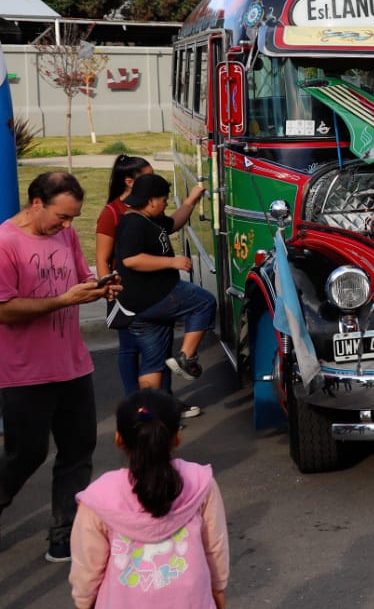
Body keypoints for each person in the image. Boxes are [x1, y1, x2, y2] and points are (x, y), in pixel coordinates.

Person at [70, 389, 228, 609]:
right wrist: (218, 587)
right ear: (177, 437)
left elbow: (88, 561)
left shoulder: (101, 497)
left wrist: (84, 605)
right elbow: (214, 543)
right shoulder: (199, 482)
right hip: (186, 607)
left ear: (117, 439)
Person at [0, 172, 121, 563]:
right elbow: (5, 311)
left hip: (73, 365)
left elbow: (80, 276)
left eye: (73, 218)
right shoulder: (5, 243)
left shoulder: (65, 235)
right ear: (37, 203)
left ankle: (64, 535)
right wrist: (63, 301)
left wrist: (98, 286)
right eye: (62, 217)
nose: (67, 226)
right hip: (23, 372)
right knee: (27, 453)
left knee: (78, 450)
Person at [95, 156, 206, 410]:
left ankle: (158, 405)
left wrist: (190, 201)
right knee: (131, 349)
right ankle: (137, 404)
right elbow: (104, 258)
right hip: (128, 292)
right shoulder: (115, 213)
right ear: (131, 182)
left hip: (157, 292)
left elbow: (171, 225)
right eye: (148, 176)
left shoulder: (150, 212)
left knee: (158, 353)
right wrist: (110, 292)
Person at [114, 175, 217, 397]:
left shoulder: (149, 218)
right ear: (151, 201)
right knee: (205, 302)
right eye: (164, 199)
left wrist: (190, 201)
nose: (166, 203)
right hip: (155, 296)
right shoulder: (133, 223)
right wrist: (172, 261)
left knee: (154, 363)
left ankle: (149, 416)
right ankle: (186, 357)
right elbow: (131, 259)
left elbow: (173, 223)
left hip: (143, 310)